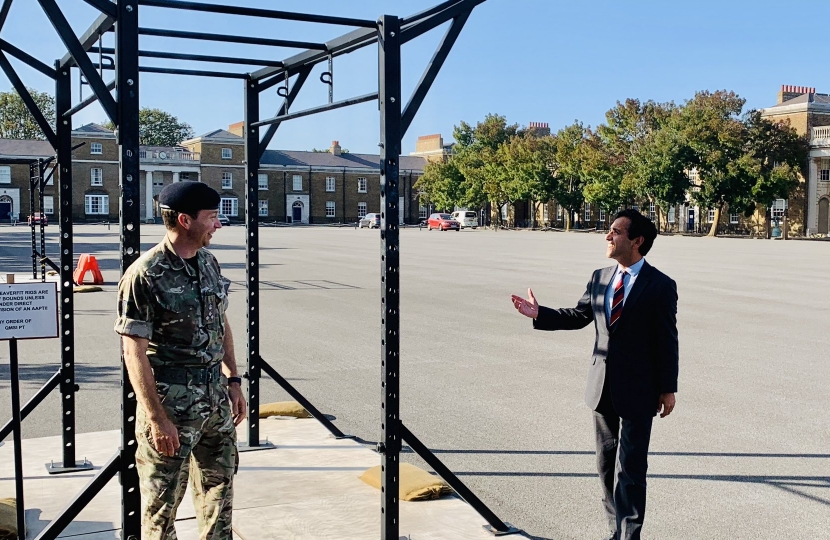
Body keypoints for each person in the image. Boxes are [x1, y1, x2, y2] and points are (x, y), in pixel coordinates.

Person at [511, 209, 678, 540]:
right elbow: (579, 315)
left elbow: (666, 340)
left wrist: (667, 388)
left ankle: (629, 536)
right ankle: (615, 530)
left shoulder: (660, 285)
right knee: (605, 468)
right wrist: (539, 313)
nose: (607, 236)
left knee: (631, 470)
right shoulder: (601, 277)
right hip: (601, 387)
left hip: (639, 390)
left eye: (615, 231)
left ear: (637, 241)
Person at [114, 181, 247, 539]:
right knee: (161, 508)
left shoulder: (208, 262)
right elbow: (134, 351)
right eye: (212, 217)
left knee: (220, 496)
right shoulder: (144, 274)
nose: (218, 224)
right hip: (172, 404)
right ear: (185, 220)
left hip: (215, 402)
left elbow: (221, 322)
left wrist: (233, 379)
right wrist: (157, 419)